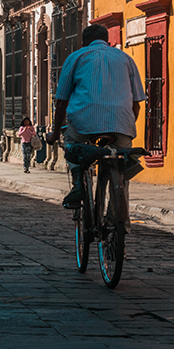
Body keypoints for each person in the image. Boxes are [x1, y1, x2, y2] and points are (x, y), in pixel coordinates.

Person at [45, 24, 147, 211]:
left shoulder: (76, 57)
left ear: (84, 42)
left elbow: (61, 102)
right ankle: (120, 216)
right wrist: (126, 126)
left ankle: (78, 185)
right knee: (122, 169)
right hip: (122, 123)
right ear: (107, 41)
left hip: (84, 123)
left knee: (71, 144)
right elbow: (137, 103)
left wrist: (54, 133)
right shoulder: (126, 59)